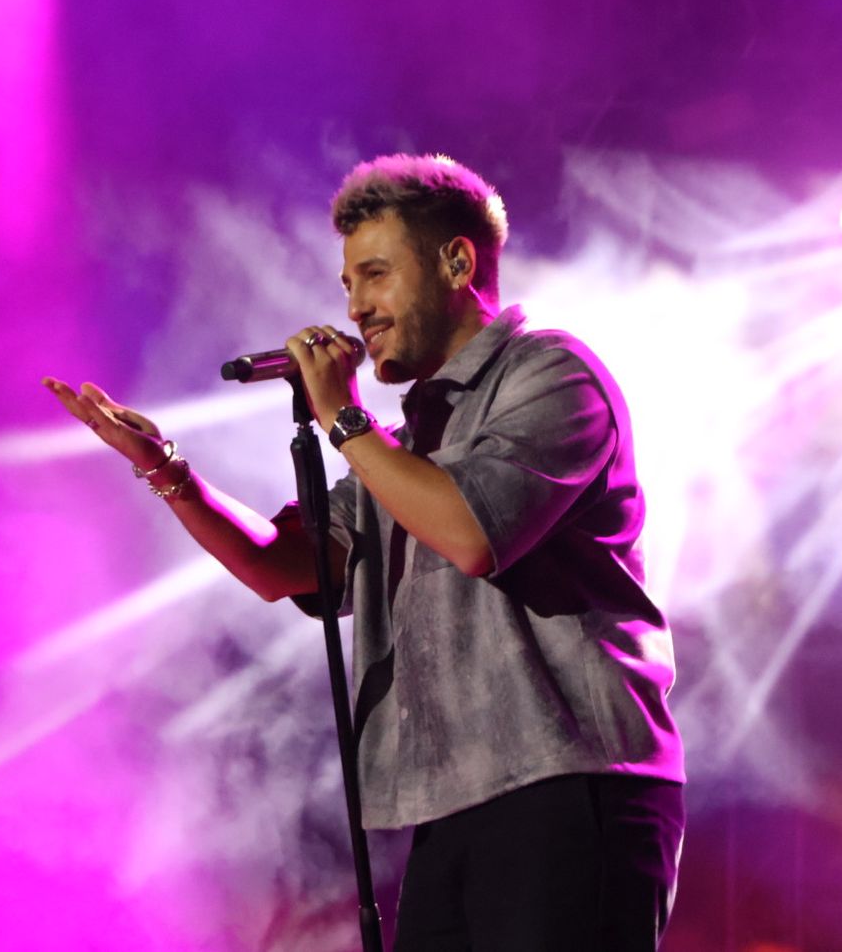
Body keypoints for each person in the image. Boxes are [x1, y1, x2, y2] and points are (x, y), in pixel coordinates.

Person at [43, 154, 685, 950]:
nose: (356, 308)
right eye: (348, 284)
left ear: (457, 261)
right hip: (455, 802)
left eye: (376, 275)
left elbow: (471, 534)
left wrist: (344, 419)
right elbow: (286, 562)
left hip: (572, 782)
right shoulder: (407, 442)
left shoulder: (552, 374)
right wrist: (167, 471)